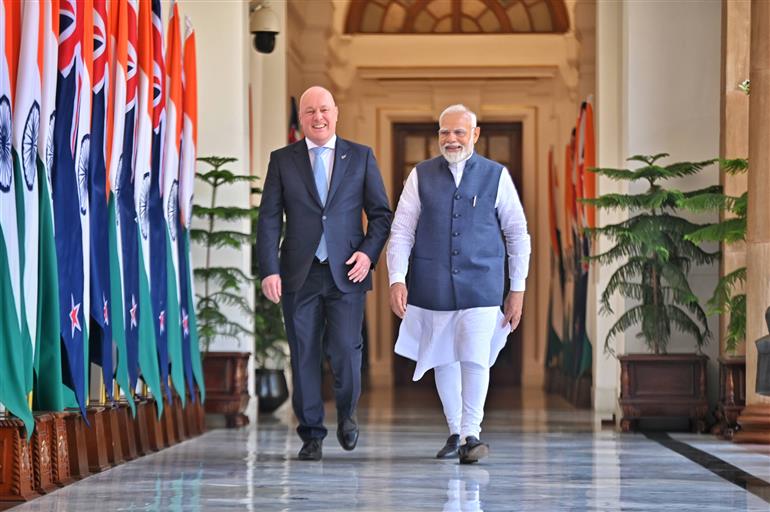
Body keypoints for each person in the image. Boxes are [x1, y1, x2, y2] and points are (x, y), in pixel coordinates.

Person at [387, 104, 530, 464]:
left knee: (475, 357)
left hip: (482, 282)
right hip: (431, 282)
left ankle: (471, 433)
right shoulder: (420, 175)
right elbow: (402, 230)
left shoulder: (497, 175)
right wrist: (396, 279)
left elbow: (517, 232)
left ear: (475, 135)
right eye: (444, 132)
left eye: (459, 132)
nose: (451, 139)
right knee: (443, 358)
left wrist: (518, 288)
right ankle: (455, 430)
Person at [257, 86, 392, 461]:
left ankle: (347, 413)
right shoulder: (283, 160)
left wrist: (367, 255)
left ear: (337, 112)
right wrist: (269, 269)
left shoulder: (361, 157)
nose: (318, 117)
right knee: (303, 355)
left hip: (347, 272)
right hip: (298, 274)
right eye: (310, 111)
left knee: (347, 352)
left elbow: (381, 215)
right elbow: (269, 219)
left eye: (324, 110)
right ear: (301, 119)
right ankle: (311, 433)